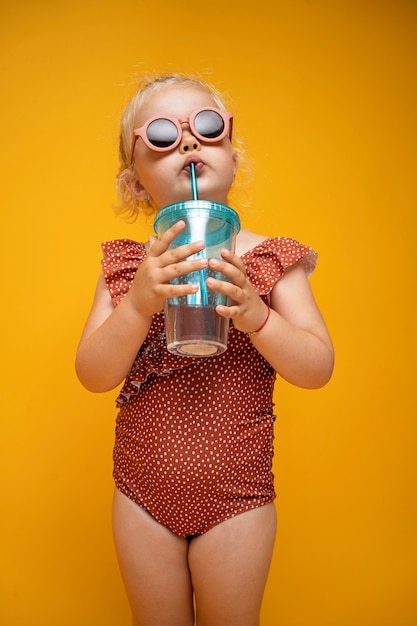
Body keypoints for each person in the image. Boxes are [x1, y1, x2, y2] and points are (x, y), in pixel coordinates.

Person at [75, 73, 334, 626]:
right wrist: (139, 303)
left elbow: (317, 367)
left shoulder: (268, 258)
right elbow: (92, 374)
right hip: (142, 494)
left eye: (208, 127)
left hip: (237, 496)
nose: (190, 143)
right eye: (164, 136)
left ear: (233, 158)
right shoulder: (128, 268)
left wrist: (257, 316)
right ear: (136, 185)